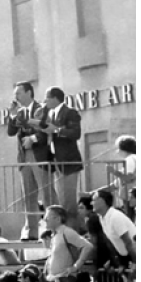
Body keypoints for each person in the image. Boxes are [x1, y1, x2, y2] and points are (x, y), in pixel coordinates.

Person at [7, 81, 56, 239]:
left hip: (39, 155)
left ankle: (53, 228)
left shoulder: (41, 109)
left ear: (29, 93)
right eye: (15, 94)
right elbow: (11, 132)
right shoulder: (19, 112)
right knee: (28, 195)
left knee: (47, 193)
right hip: (24, 157)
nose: (16, 97)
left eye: (18, 93)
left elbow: (47, 131)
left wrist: (33, 139)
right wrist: (12, 115)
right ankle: (31, 231)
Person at [39, 86, 84, 230]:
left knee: (69, 202)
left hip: (68, 162)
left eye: (47, 97)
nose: (45, 100)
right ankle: (65, 231)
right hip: (57, 163)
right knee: (62, 201)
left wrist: (57, 130)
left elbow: (75, 133)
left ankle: (73, 231)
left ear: (55, 98)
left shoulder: (70, 112)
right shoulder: (50, 113)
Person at [106, 134, 136, 209]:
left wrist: (113, 171)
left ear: (124, 148)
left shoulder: (130, 159)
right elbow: (114, 185)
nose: (117, 152)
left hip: (131, 198)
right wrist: (91, 193)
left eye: (118, 148)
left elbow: (129, 178)